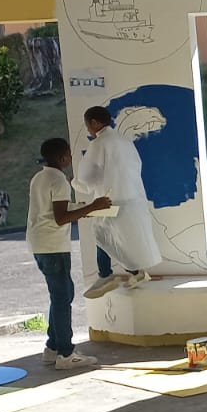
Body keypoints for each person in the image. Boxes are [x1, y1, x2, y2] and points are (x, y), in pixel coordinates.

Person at [26, 138, 112, 370]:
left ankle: (52, 347)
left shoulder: (40, 177)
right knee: (62, 298)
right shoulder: (59, 180)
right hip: (53, 245)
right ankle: (66, 354)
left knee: (61, 295)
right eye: (68, 155)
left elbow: (53, 210)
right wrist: (93, 206)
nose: (71, 158)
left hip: (40, 243)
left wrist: (83, 209)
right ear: (62, 157)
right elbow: (61, 217)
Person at [74, 105, 162, 299]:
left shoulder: (99, 143)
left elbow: (87, 177)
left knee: (102, 236)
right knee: (123, 240)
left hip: (110, 200)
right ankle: (135, 272)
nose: (88, 129)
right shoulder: (125, 141)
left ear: (94, 123)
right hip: (132, 198)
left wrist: (75, 183)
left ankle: (105, 275)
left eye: (87, 125)